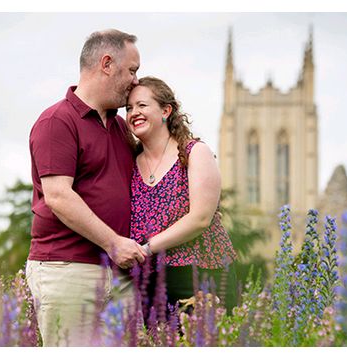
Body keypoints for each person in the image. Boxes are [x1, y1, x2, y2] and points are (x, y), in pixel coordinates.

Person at [26, 29, 147, 346]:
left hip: (117, 274)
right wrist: (114, 243)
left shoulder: (121, 127)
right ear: (107, 63)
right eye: (132, 70)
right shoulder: (57, 121)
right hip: (68, 269)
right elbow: (58, 196)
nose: (136, 81)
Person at [126, 76, 238, 315]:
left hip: (200, 275)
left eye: (142, 105)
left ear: (166, 110)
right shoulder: (130, 163)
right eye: (129, 108)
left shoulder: (194, 152)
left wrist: (145, 249)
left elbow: (200, 219)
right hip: (149, 282)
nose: (134, 112)